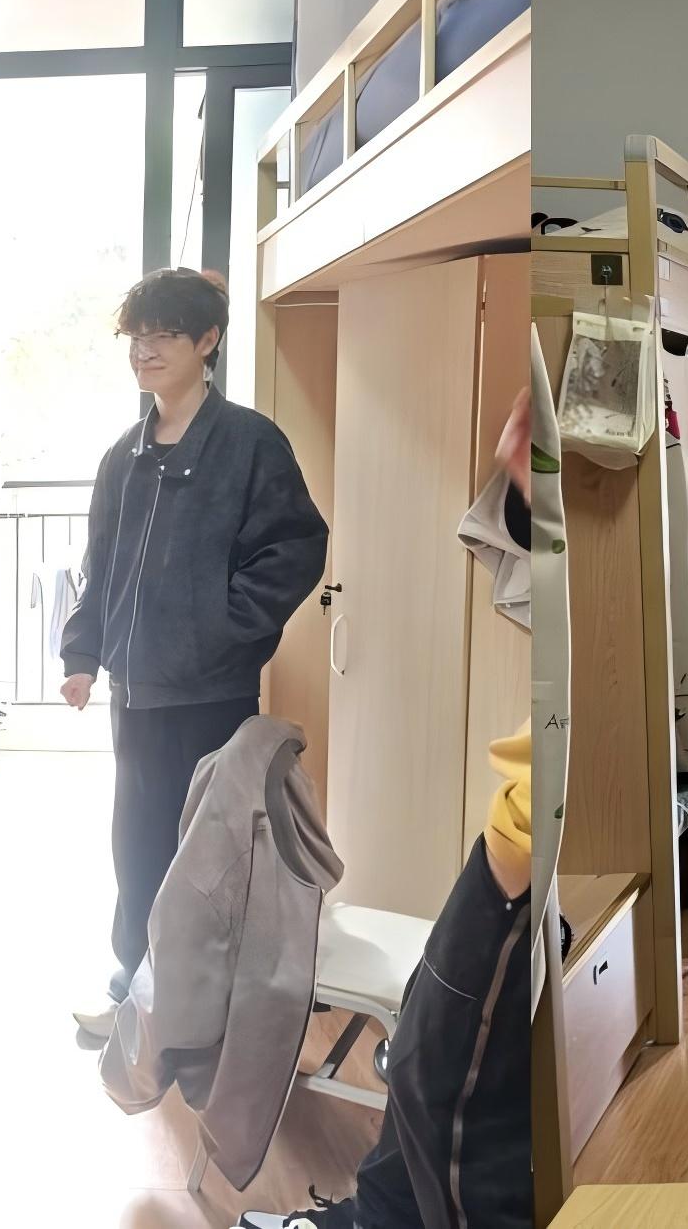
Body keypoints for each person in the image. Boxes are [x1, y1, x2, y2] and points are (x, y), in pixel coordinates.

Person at [240, 389, 535, 1229]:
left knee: (445, 1084)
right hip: (518, 832)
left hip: (528, 846)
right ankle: (369, 1217)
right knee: (423, 1059)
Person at [59, 268, 329, 1026]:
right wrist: (83, 654)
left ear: (208, 341)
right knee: (137, 845)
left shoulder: (249, 443)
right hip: (135, 692)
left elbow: (296, 548)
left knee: (210, 852)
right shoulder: (124, 455)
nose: (144, 351)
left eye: (165, 335)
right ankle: (138, 997)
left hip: (212, 692)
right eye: (135, 336)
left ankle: (209, 1007)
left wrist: (223, 628)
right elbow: (101, 564)